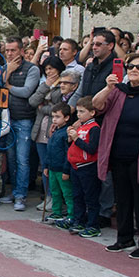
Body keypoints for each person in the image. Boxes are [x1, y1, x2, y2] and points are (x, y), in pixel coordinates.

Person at [92, 52, 139, 258]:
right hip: (118, 153)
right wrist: (108, 87)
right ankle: (124, 238)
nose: (133, 70)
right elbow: (97, 105)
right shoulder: (118, 91)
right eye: (130, 66)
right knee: (122, 199)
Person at [55, 98, 101, 236]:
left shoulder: (94, 128)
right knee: (77, 196)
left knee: (90, 197)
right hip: (76, 166)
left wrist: (76, 139)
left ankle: (93, 225)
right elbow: (74, 148)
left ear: (92, 112)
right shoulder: (80, 126)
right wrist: (71, 140)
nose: (79, 114)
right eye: (78, 111)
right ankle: (78, 221)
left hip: (88, 167)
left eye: (82, 111)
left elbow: (91, 149)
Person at [3, 37, 40, 211]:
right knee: (11, 159)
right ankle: (14, 190)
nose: (9, 54)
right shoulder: (5, 68)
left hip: (24, 119)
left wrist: (8, 85)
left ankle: (21, 195)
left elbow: (26, 91)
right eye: (7, 50)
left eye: (13, 50)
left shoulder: (32, 69)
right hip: (7, 119)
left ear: (21, 51)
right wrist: (7, 73)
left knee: (22, 159)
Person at [29, 56, 68, 211]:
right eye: (46, 69)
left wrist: (44, 108)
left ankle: (57, 198)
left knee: (54, 165)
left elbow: (59, 107)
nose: (49, 72)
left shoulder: (64, 84)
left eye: (52, 68)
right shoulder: (44, 84)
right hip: (40, 129)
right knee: (44, 164)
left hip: (55, 129)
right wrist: (46, 86)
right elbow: (33, 101)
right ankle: (48, 196)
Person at [43, 103, 75, 224]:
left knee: (67, 192)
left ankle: (72, 214)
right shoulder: (55, 131)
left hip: (62, 168)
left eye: (57, 117)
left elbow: (68, 153)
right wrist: (46, 165)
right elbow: (49, 150)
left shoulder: (66, 133)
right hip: (52, 167)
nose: (54, 119)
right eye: (53, 117)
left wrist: (66, 170)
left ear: (66, 118)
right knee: (54, 191)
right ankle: (57, 212)